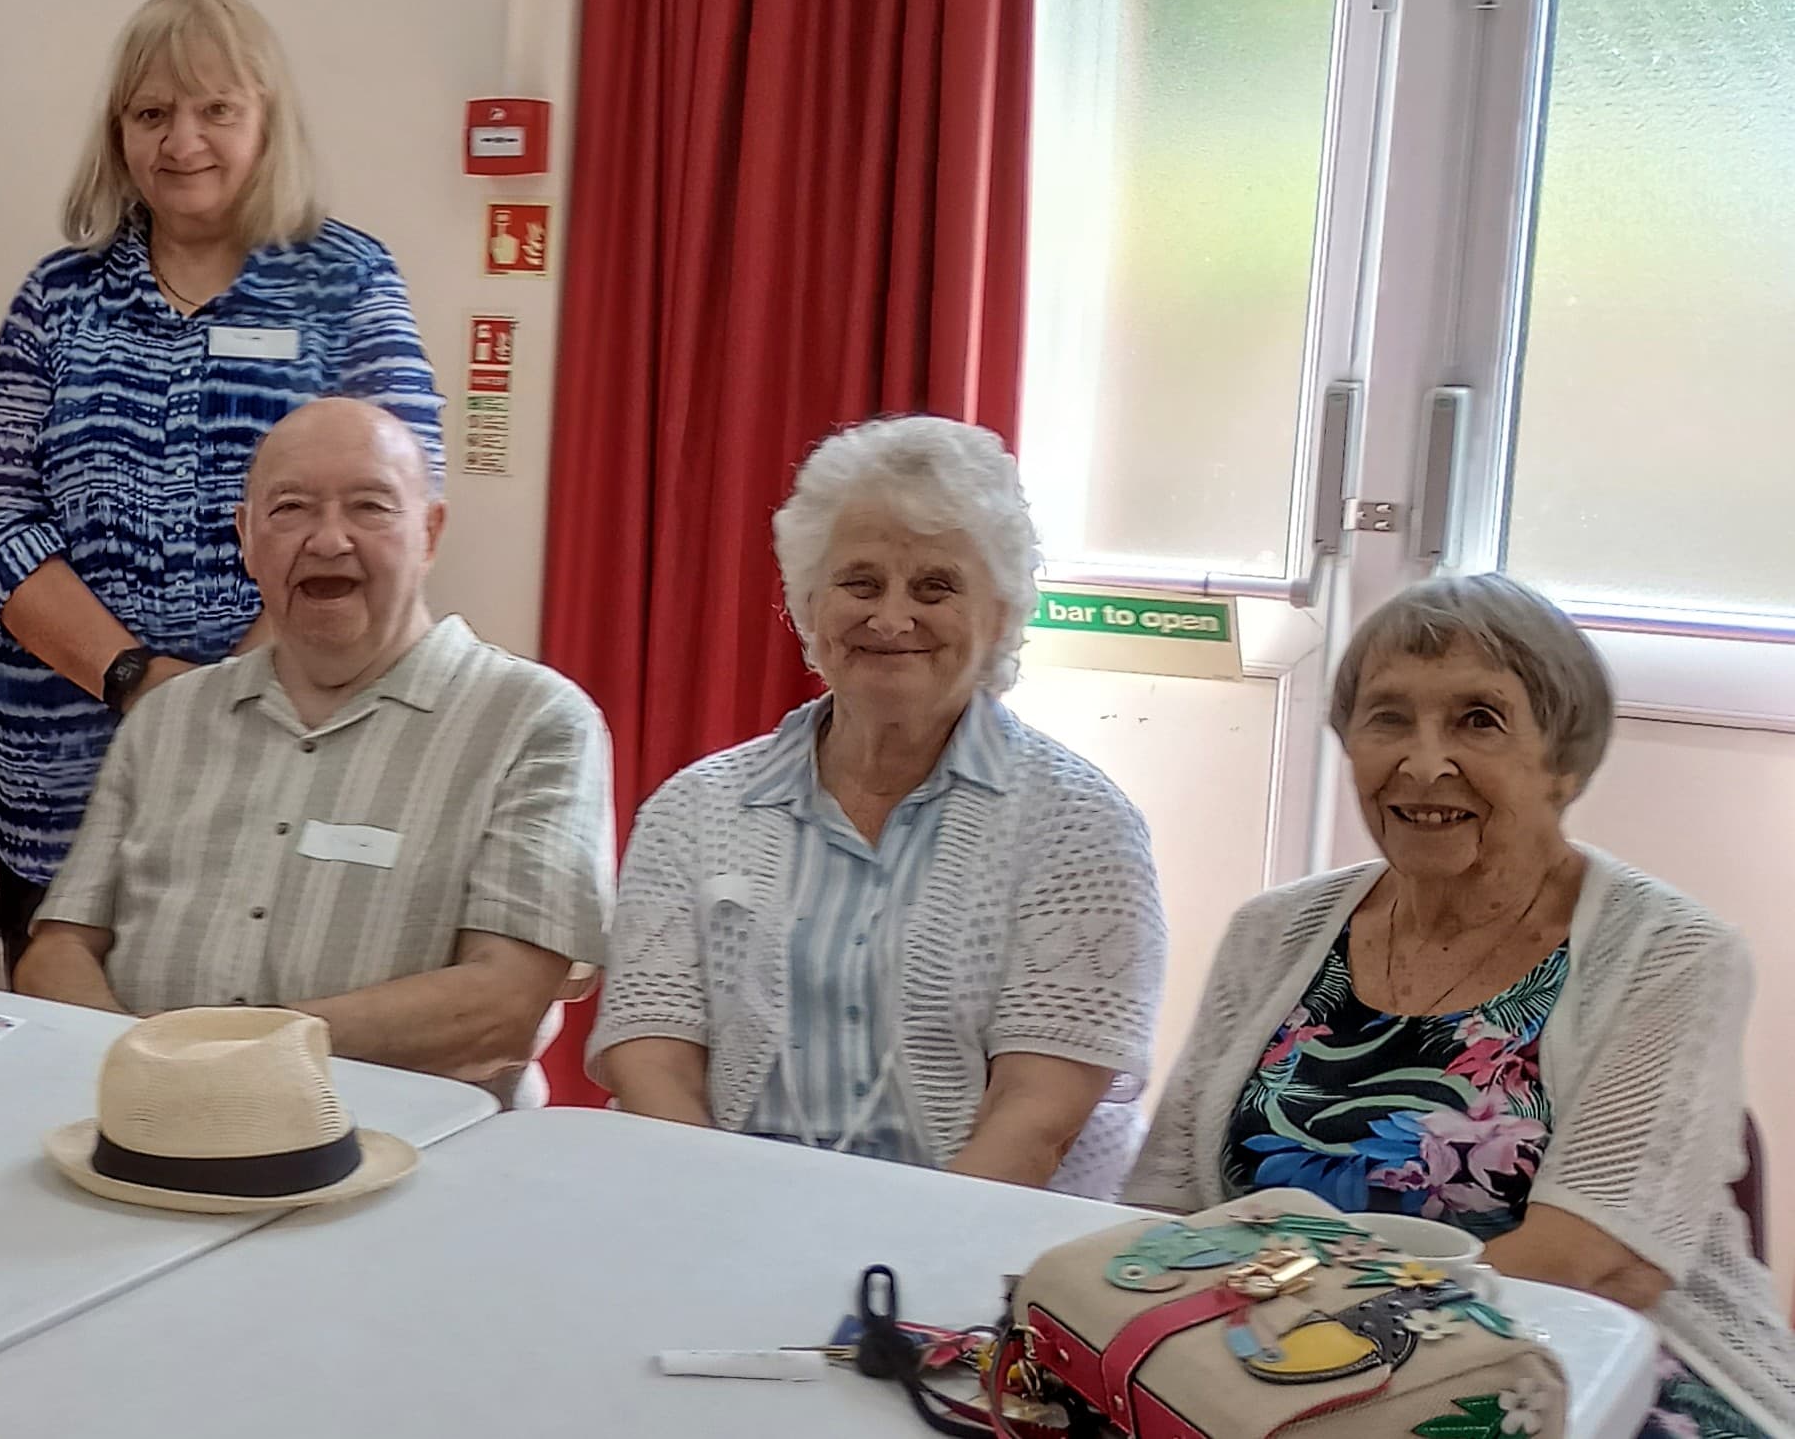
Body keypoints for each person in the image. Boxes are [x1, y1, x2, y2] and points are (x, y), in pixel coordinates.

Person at [1128, 573, 1795, 1438]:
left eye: (1478, 719)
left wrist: (1317, 1343)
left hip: (1595, 1375)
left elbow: (1592, 1264)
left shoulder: (1670, 953)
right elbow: (1165, 1207)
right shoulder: (1272, 934)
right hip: (1275, 1375)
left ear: (1562, 761)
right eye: (1387, 717)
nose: (1422, 761)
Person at [0, 0, 441, 968]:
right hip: (58, 773)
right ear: (117, 132)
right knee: (58, 1045)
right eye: (151, 113)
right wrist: (136, 678)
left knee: (241, 1051)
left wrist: (236, 694)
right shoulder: (61, 293)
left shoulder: (345, 281)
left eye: (216, 109)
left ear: (266, 119)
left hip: (283, 752)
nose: (182, 141)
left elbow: (393, 507)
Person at [592, 416, 1165, 1196]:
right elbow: (649, 1061)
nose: (891, 618)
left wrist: (891, 1270)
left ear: (999, 614)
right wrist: (713, 1220)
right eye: (859, 583)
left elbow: (1036, 1122)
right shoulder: (692, 808)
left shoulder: (1081, 827)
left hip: (976, 1252)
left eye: (936, 587)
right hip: (719, 1219)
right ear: (805, 603)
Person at [14, 400, 607, 1105]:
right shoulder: (165, 719)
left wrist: (224, 1060)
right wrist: (148, 1076)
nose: (328, 540)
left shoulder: (533, 721)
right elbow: (57, 949)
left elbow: (502, 1005)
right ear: (247, 536)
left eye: (370, 507)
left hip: (408, 1159)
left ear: (429, 532)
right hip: (151, 1122)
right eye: (290, 508)